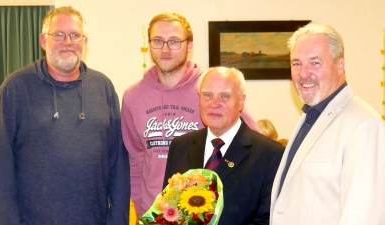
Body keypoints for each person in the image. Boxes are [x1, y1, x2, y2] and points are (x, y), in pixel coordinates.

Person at [0, 6, 130, 224]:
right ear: (43, 41)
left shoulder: (103, 87)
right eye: (59, 35)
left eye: (75, 35)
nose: (68, 42)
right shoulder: (15, 88)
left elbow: (118, 162)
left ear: (84, 42)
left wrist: (118, 219)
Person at [121, 12, 260, 217]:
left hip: (207, 214)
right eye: (158, 41)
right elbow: (135, 157)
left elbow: (250, 145)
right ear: (149, 44)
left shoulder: (210, 90)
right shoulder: (133, 96)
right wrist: (142, 206)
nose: (165, 49)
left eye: (174, 41)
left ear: (190, 45)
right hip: (157, 214)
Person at [270, 23, 385, 225]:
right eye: (296, 63)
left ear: (340, 66)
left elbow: (365, 216)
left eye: (315, 63)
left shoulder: (364, 125)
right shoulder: (310, 117)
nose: (304, 73)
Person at [163, 67, 284, 225]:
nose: (214, 104)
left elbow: (267, 220)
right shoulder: (180, 147)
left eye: (224, 96)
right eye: (207, 95)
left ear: (241, 101)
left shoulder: (270, 155)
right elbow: (167, 210)